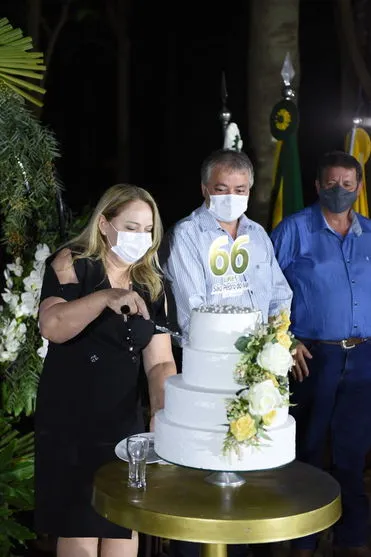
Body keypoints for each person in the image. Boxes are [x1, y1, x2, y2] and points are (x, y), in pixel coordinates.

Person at [161, 149, 292, 557]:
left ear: (250, 192)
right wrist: (244, 345)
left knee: (249, 472)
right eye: (221, 189)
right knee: (203, 469)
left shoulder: (258, 235)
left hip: (258, 377)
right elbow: (193, 308)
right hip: (208, 371)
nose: (231, 196)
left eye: (240, 190)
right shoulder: (187, 235)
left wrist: (274, 345)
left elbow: (279, 295)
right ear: (205, 190)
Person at [35, 184, 177, 557]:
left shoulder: (153, 284)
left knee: (122, 532)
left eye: (147, 230)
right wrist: (105, 298)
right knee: (79, 534)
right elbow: (52, 325)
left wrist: (161, 412)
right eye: (131, 227)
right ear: (103, 223)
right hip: (72, 425)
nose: (141, 238)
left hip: (123, 429)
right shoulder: (71, 264)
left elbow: (160, 362)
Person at [271, 151, 371, 557]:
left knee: (352, 452)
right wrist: (285, 339)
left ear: (359, 188)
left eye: (348, 185)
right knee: (308, 450)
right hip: (311, 357)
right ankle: (303, 540)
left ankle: (353, 538)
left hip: (363, 359)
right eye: (331, 184)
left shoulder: (368, 232)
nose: (339, 191)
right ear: (317, 185)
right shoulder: (294, 229)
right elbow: (265, 289)